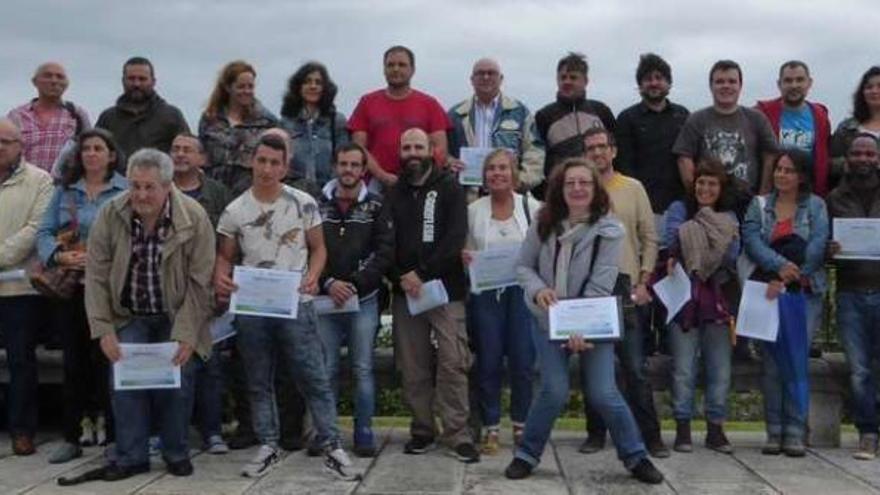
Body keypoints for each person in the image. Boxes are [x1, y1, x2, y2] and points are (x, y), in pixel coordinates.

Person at [504, 158, 663, 484]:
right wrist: (538, 291)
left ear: (595, 189)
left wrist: (578, 327)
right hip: (546, 319)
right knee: (554, 390)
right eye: (570, 183)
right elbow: (523, 267)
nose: (577, 188)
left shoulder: (610, 229)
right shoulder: (542, 222)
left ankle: (635, 456)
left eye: (585, 183)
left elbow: (600, 285)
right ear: (560, 189)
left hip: (593, 320)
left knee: (604, 392)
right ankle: (527, 454)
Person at [213, 133, 358, 480]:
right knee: (258, 379)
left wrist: (314, 276)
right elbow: (224, 257)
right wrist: (221, 277)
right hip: (252, 307)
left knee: (313, 375)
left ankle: (332, 445)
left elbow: (319, 249)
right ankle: (268, 444)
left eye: (274, 163)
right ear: (253, 161)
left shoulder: (303, 202)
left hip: (296, 302)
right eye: (261, 160)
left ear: (285, 167)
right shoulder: (235, 209)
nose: (266, 168)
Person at [85, 148, 215, 481]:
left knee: (180, 382)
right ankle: (131, 456)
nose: (141, 195)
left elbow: (202, 284)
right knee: (124, 381)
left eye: (149, 187)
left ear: (168, 186)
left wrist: (187, 334)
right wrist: (104, 330)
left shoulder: (195, 218)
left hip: (176, 313)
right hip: (128, 313)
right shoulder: (109, 214)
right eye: (135, 185)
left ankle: (176, 452)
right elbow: (96, 276)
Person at [386, 128, 479, 463]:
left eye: (418, 146)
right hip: (405, 294)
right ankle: (423, 429)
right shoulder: (394, 192)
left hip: (445, 290)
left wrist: (422, 273)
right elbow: (386, 242)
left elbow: (455, 238)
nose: (412, 152)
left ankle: (458, 433)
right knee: (413, 366)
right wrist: (399, 276)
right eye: (406, 146)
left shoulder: (450, 188)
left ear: (431, 150)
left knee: (454, 362)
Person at [36, 128, 127, 463]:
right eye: (86, 148)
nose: (91, 154)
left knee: (108, 362)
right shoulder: (64, 193)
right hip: (72, 289)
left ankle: (116, 437)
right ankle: (71, 436)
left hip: (108, 289)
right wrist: (58, 256)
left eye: (98, 148)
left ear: (111, 155)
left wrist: (104, 258)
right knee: (73, 364)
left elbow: (136, 234)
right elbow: (44, 232)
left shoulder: (126, 190)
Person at [577, 128, 667, 458]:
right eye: (591, 149)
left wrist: (644, 281)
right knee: (594, 366)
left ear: (613, 151)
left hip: (626, 286)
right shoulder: (578, 190)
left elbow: (650, 238)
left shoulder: (633, 188)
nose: (597, 153)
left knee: (634, 367)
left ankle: (651, 437)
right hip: (588, 290)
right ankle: (595, 433)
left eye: (602, 147)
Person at [742, 148, 829, 457]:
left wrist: (793, 274)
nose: (781, 174)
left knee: (795, 360)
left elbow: (818, 245)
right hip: (768, 290)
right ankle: (774, 430)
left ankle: (794, 431)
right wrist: (778, 267)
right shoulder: (759, 205)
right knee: (771, 363)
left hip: (803, 293)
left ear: (802, 175)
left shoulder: (817, 206)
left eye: (789, 170)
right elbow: (751, 240)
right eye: (779, 169)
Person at [316, 142, 393, 458]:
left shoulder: (377, 205)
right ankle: (326, 433)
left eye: (354, 165)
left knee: (363, 368)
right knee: (326, 369)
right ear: (335, 166)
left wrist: (355, 285)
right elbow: (305, 250)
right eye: (343, 164)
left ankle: (364, 432)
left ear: (363, 170)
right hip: (324, 300)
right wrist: (329, 283)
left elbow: (385, 252)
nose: (348, 170)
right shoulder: (315, 205)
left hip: (364, 300)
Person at [462, 148, 539, 454]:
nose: (497, 173)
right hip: (486, 295)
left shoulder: (533, 207)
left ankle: (521, 424)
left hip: (521, 295)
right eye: (491, 168)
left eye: (503, 168)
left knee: (522, 361)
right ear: (484, 176)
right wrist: (465, 257)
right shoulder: (473, 210)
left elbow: (544, 251)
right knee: (489, 361)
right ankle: (491, 426)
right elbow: (465, 249)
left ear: (514, 173)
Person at [663, 159, 740, 454]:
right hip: (683, 295)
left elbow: (732, 254)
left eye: (712, 184)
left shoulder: (730, 215)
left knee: (719, 367)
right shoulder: (678, 209)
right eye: (701, 183)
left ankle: (716, 429)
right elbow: (671, 240)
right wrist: (708, 241)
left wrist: (694, 238)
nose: (705, 189)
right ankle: (683, 426)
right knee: (683, 367)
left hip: (718, 295)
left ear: (721, 188)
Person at [169, 132, 232, 455]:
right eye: (175, 149)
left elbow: (229, 242)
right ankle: (169, 434)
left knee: (209, 364)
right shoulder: (158, 189)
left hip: (207, 290)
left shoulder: (217, 193)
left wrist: (223, 283)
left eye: (187, 150)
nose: (180, 154)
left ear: (202, 158)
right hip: (167, 293)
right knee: (171, 363)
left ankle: (212, 431)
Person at [0, 118, 53, 456]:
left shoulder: (40, 180)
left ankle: (22, 430)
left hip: (19, 288)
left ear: (21, 145)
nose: (0, 147)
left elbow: (36, 228)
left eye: (5, 141)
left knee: (21, 360)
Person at [826, 134, 880, 460]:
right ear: (848, 158)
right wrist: (830, 250)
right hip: (850, 292)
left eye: (869, 153)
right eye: (857, 153)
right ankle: (868, 433)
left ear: (877, 158)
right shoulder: (835, 198)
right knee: (859, 369)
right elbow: (825, 251)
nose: (863, 158)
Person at [348, 46, 450, 193]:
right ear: (384, 69)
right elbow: (358, 148)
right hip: (376, 184)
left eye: (402, 65)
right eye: (390, 65)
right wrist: (383, 176)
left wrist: (420, 178)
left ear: (413, 70)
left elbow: (439, 149)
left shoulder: (430, 104)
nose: (396, 69)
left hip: (420, 183)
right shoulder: (367, 102)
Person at [674, 60, 778, 200]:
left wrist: (762, 198)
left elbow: (770, 156)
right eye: (720, 82)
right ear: (711, 86)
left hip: (748, 202)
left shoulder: (757, 119)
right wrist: (697, 198)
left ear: (740, 86)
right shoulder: (696, 119)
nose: (726, 86)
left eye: (732, 81)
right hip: (709, 203)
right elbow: (684, 158)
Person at [615, 53, 689, 230]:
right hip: (641, 205)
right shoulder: (627, 119)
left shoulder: (683, 115)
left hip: (679, 206)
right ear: (640, 85)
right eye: (648, 79)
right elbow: (624, 165)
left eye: (659, 78)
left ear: (668, 83)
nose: (654, 83)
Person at [448, 58, 545, 191]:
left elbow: (535, 151)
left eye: (491, 73)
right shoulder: (455, 115)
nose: (486, 77)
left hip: (509, 195)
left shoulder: (520, 112)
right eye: (480, 73)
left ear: (501, 79)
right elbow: (444, 152)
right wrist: (449, 163)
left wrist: (521, 181)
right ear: (472, 79)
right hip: (467, 196)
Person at [534, 52, 615, 198]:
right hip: (560, 194)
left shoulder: (601, 111)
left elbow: (615, 153)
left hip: (601, 190)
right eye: (562, 77)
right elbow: (537, 159)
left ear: (585, 80)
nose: (567, 81)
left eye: (573, 77)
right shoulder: (544, 116)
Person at [200, 60, 279, 195]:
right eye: (241, 86)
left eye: (250, 86)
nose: (247, 91)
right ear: (228, 87)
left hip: (250, 193)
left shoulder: (267, 121)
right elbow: (202, 156)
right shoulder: (210, 119)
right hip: (213, 192)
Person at [756, 61, 832, 197]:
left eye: (799, 80)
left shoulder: (820, 115)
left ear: (809, 83)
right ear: (779, 84)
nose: (794, 85)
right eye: (788, 81)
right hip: (772, 194)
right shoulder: (762, 113)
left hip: (808, 194)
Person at [95, 57, 190, 160]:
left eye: (142, 79)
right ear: (123, 81)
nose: (136, 84)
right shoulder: (108, 118)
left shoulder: (172, 116)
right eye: (131, 79)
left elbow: (187, 151)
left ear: (153, 82)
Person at [7, 62, 90, 173]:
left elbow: (89, 148)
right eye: (48, 76)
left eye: (60, 77)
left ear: (66, 84)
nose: (54, 81)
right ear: (35, 82)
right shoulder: (17, 116)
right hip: (24, 184)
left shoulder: (76, 114)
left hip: (64, 186)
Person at [280, 62, 349, 188]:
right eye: (307, 82)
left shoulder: (337, 120)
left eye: (318, 83)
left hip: (328, 192)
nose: (313, 86)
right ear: (298, 86)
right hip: (293, 190)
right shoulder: (286, 122)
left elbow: (344, 158)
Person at [831, 66, 880, 186]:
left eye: (879, 86)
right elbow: (830, 164)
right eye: (869, 87)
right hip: (851, 197)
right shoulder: (846, 128)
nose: (874, 91)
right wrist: (855, 163)